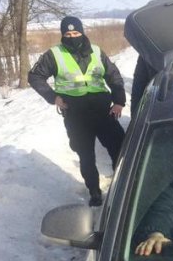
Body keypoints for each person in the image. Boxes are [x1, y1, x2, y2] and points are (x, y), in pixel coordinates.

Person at [28, 16, 126, 206]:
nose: (72, 37)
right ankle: (95, 193)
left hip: (102, 111)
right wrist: (53, 97)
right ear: (63, 35)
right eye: (68, 34)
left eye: (76, 32)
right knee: (86, 155)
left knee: (119, 149)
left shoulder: (96, 51)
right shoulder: (54, 54)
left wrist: (119, 101)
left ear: (82, 32)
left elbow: (113, 76)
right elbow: (35, 77)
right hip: (76, 115)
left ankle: (123, 188)